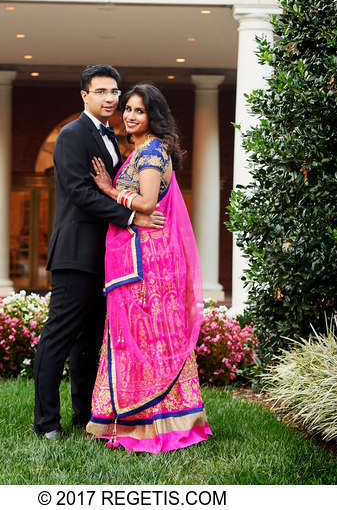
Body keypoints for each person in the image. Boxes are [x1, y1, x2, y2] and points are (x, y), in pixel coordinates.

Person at [33, 65, 166, 440]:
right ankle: (46, 424)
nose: (111, 98)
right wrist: (131, 216)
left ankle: (84, 416)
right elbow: (80, 192)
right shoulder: (72, 135)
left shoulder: (114, 137)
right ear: (84, 95)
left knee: (89, 341)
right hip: (75, 254)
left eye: (114, 92)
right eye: (102, 91)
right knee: (58, 338)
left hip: (105, 257)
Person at [86, 83, 212, 453]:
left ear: (152, 116)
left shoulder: (153, 152)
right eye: (127, 108)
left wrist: (110, 190)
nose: (129, 115)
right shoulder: (140, 150)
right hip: (137, 258)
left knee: (148, 335)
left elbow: (145, 203)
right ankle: (127, 417)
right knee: (133, 336)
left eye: (138, 111)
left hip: (148, 263)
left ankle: (154, 423)